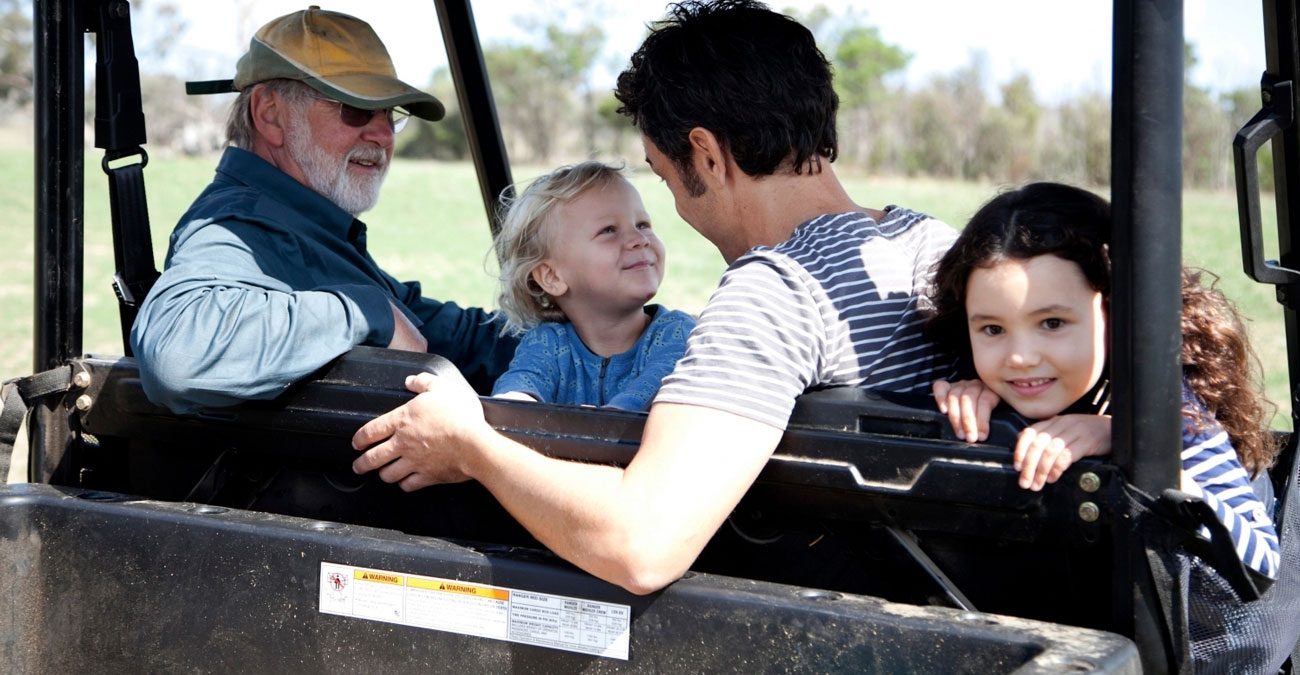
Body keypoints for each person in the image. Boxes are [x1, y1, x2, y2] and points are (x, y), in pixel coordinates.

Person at [349, 0, 957, 594]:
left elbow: (642, 547)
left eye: (666, 179)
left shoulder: (775, 293)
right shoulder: (942, 248)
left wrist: (472, 447)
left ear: (709, 156)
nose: (677, 210)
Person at [130, 7, 516, 414]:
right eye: (355, 109)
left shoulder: (306, 227)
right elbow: (178, 355)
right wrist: (366, 313)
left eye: (390, 114)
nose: (383, 135)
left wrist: (568, 341)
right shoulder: (240, 226)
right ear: (270, 115)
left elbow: (433, 329)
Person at [925, 181, 1280, 579]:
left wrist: (1132, 444)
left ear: (1116, 311)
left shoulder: (1171, 407)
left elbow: (1262, 564)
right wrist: (966, 397)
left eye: (1052, 323)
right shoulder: (982, 383)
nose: (1019, 357)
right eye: (992, 329)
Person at [489, 161, 695, 411]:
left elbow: (646, 394)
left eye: (642, 225)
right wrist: (511, 405)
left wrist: (599, 420)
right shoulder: (548, 343)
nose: (639, 239)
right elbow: (516, 394)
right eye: (608, 230)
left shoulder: (678, 333)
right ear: (552, 276)